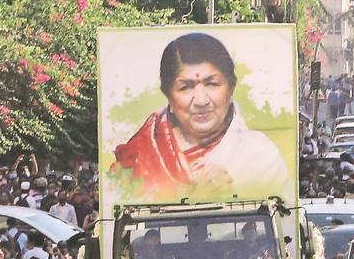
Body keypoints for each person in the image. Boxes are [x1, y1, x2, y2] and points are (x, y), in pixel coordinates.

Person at [111, 32, 288, 202]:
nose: (201, 101)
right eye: (186, 87)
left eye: (212, 84)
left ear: (230, 88)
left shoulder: (261, 156)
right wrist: (195, 197)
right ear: (169, 95)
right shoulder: (139, 154)